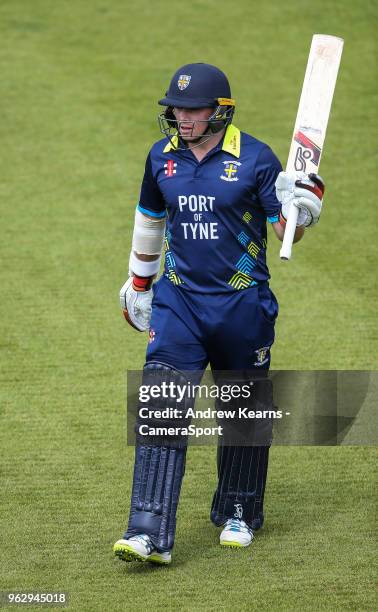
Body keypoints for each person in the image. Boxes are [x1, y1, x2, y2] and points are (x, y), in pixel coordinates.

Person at [113, 63, 324, 565]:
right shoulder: (160, 158)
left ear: (220, 112)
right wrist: (141, 283)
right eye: (175, 109)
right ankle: (146, 531)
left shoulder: (257, 159)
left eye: (190, 109)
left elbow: (284, 231)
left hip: (242, 306)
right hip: (179, 302)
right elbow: (150, 220)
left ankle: (239, 511)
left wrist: (307, 205)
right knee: (161, 406)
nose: (180, 117)